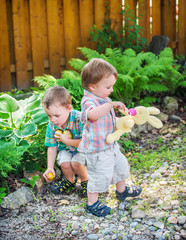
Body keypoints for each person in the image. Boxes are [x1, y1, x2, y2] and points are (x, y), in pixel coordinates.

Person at [78, 58, 142, 216]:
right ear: (93, 86)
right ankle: (92, 203)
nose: (111, 90)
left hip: (110, 146)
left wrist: (122, 121)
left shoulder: (105, 99)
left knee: (120, 167)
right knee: (99, 176)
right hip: (97, 151)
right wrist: (110, 105)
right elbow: (92, 115)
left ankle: (122, 191)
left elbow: (108, 121)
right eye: (108, 87)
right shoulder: (88, 101)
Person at [43, 85, 88, 197]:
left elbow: (85, 142)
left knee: (76, 163)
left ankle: (86, 181)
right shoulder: (52, 126)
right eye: (49, 116)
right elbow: (52, 147)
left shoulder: (79, 119)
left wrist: (66, 141)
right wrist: (50, 167)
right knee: (65, 164)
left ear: (69, 108)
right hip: (66, 150)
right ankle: (70, 180)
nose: (53, 120)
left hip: (83, 150)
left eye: (57, 115)